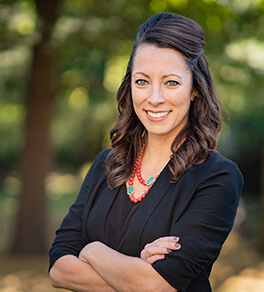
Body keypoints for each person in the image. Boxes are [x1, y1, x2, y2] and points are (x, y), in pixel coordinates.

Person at [49, 12, 243, 292]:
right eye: (142, 81)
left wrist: (93, 252)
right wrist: (134, 273)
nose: (154, 98)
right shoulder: (106, 164)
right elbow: (58, 269)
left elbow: (157, 286)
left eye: (171, 82)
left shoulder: (218, 177)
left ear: (194, 90)